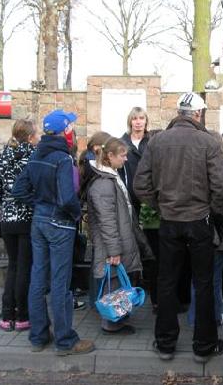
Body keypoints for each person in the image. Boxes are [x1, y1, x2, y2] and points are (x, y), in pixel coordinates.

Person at [133, 92, 223, 363]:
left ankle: (165, 344)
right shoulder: (208, 142)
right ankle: (204, 346)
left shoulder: (157, 141)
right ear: (198, 114)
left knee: (167, 281)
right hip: (199, 220)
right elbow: (222, 187)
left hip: (170, 221)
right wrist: (211, 209)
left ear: (179, 112)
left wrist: (162, 204)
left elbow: (141, 185)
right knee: (203, 282)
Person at [12, 109, 94, 356]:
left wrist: (39, 203)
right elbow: (68, 196)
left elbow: (19, 189)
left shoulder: (37, 154)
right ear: (66, 130)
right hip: (60, 224)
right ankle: (65, 340)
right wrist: (76, 214)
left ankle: (38, 336)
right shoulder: (62, 158)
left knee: (38, 279)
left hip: (39, 221)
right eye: (71, 127)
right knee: (60, 283)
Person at [86, 137, 142, 335]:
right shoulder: (104, 183)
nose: (126, 159)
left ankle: (117, 320)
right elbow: (107, 221)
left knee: (117, 282)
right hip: (112, 244)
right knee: (114, 284)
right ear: (110, 156)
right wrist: (114, 251)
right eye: (123, 155)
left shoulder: (110, 178)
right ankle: (111, 323)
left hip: (117, 241)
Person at [0, 119, 39, 331]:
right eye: (37, 134)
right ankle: (23, 317)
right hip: (28, 219)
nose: (39, 137)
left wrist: (6, 201)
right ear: (29, 136)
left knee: (13, 267)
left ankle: (7, 315)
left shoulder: (3, 156)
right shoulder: (34, 157)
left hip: (8, 220)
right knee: (25, 267)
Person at [188, 130, 223, 327]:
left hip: (193, 227)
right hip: (213, 230)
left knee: (197, 277)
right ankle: (212, 316)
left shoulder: (190, 170)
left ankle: (194, 316)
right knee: (213, 278)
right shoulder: (222, 170)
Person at [119, 107, 150, 216]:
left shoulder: (152, 141)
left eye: (141, 118)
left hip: (149, 195)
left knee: (150, 231)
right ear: (130, 122)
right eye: (134, 118)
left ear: (146, 121)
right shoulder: (121, 143)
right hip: (129, 195)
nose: (138, 122)